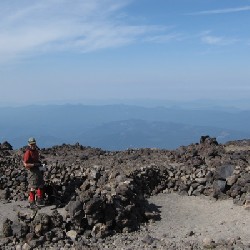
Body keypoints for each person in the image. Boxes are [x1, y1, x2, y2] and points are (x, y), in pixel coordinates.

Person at [23, 137, 45, 208]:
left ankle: (39, 199)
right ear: (29, 144)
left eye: (34, 144)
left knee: (40, 184)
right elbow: (26, 164)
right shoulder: (28, 152)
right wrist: (34, 165)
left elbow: (36, 160)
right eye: (31, 144)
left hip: (37, 170)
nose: (33, 145)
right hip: (32, 172)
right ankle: (32, 202)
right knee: (33, 186)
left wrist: (40, 164)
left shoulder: (36, 151)